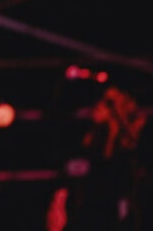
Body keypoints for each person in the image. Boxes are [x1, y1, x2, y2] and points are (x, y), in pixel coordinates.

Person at [45, 84, 146, 231]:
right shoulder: (83, 145)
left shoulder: (125, 158)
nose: (98, 106)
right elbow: (63, 187)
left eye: (108, 104)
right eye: (100, 101)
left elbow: (127, 201)